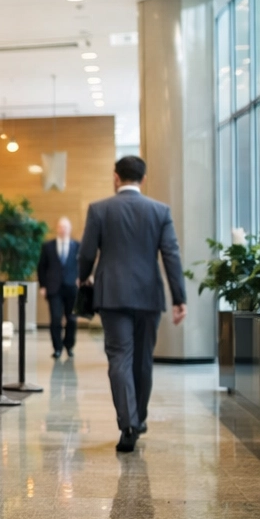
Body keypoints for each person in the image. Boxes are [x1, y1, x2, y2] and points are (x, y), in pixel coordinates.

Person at [78, 156, 187, 453]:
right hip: (149, 296)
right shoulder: (160, 211)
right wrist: (179, 298)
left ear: (116, 177)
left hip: (112, 296)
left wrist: (83, 277)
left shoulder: (99, 210)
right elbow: (171, 256)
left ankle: (128, 423)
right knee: (142, 359)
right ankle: (138, 419)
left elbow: (86, 252)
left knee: (119, 358)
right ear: (144, 178)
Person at [37, 216, 81, 359]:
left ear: (70, 229)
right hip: (53, 288)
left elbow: (82, 265)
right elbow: (41, 268)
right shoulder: (48, 246)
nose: (63, 230)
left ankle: (69, 345)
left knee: (72, 319)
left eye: (66, 227)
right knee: (56, 318)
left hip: (72, 287)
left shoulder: (77, 246)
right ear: (57, 228)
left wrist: (82, 279)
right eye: (61, 227)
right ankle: (57, 348)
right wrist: (43, 286)